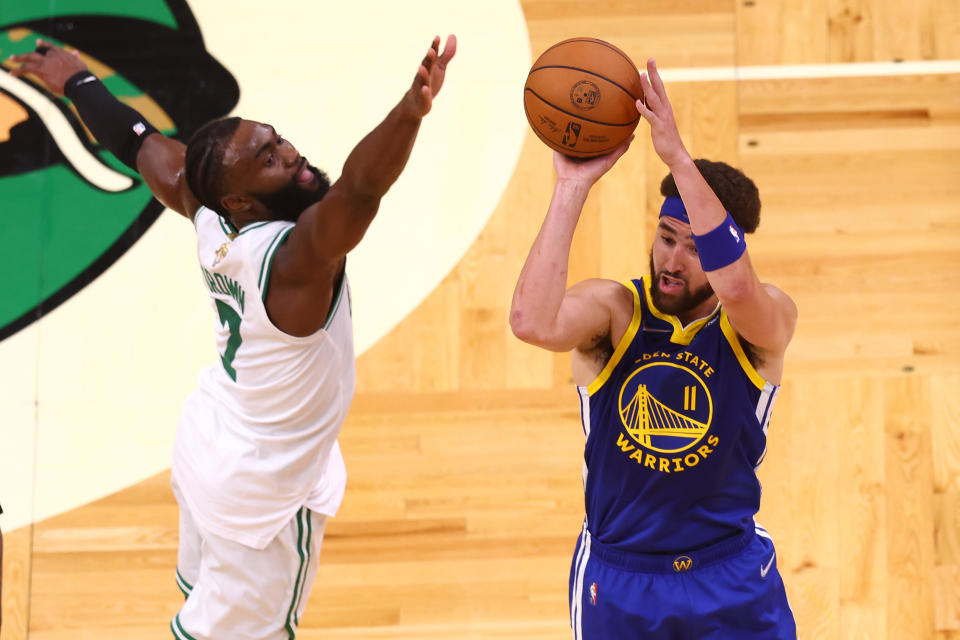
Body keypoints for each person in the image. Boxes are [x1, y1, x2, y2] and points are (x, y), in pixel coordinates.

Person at [11, 34, 456, 639]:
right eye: (269, 160)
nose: (292, 154)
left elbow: (138, 143)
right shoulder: (297, 263)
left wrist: (78, 82)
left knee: (207, 605)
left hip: (209, 443)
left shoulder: (209, 212)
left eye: (276, 139)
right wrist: (411, 110)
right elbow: (359, 189)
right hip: (261, 501)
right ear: (243, 197)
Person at [510, 58, 798, 639]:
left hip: (732, 576)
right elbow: (531, 322)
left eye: (693, 249)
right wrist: (571, 186)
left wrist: (678, 159)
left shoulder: (759, 324)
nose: (671, 260)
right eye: (666, 238)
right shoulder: (615, 314)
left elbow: (737, 286)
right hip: (622, 583)